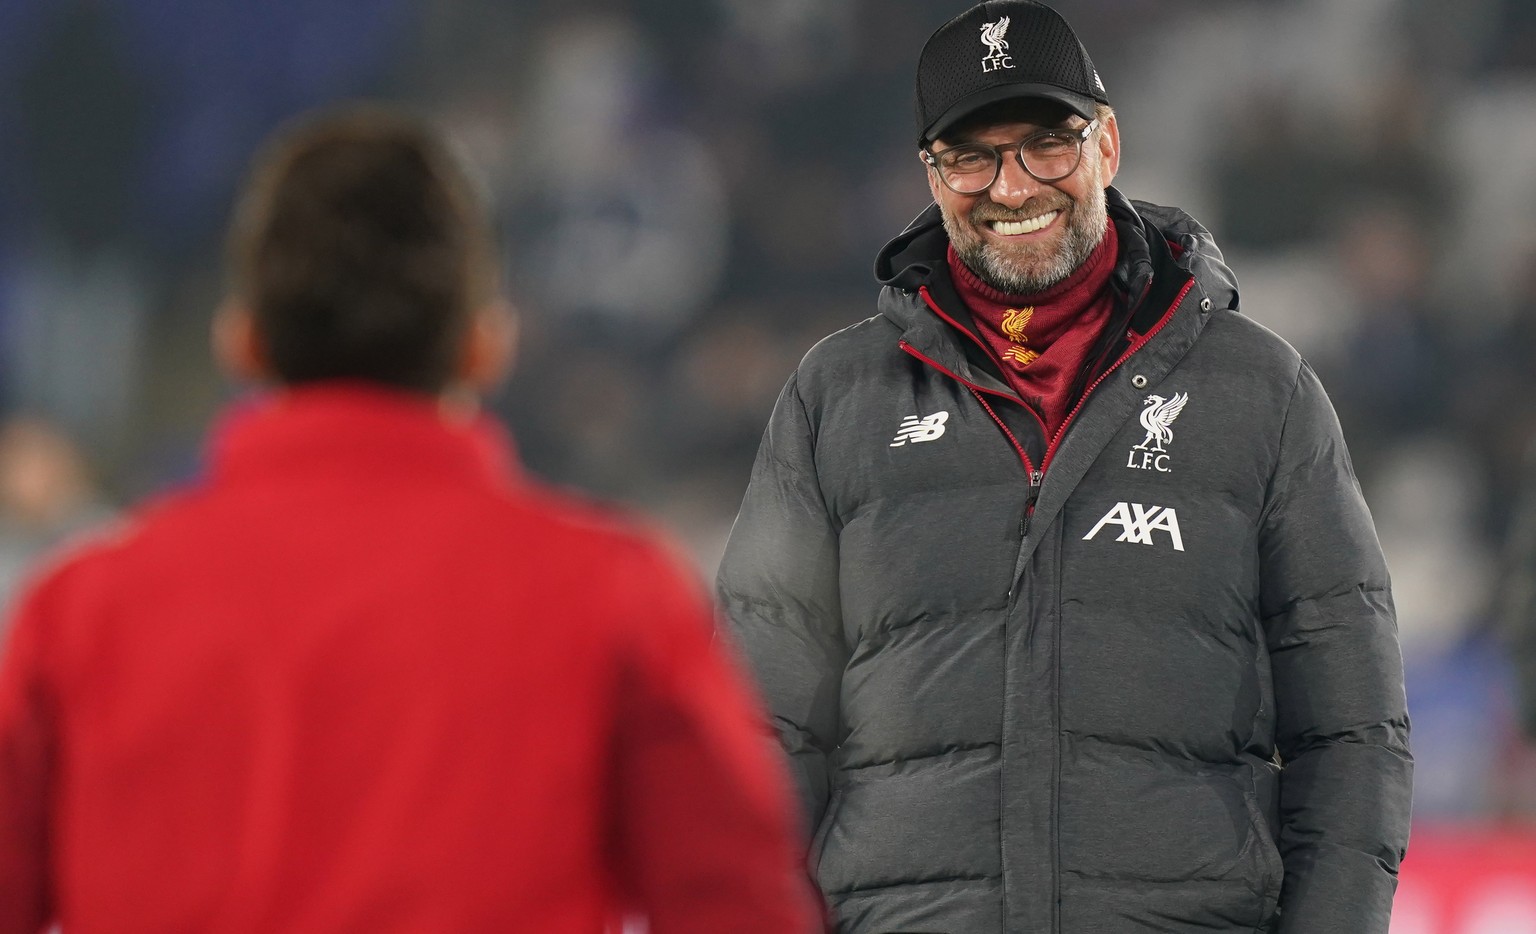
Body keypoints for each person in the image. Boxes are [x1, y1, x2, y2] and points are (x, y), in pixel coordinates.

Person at [0, 108, 819, 934]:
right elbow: (739, 908)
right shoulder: (616, 599)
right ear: (484, 347)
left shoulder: (77, 617)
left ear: (241, 343)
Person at [716, 2, 1412, 932]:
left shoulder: (1261, 390)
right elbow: (757, 744)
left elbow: (1353, 735)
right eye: (971, 155)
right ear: (931, 174)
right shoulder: (834, 398)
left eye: (1047, 142)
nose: (1011, 186)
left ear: (1109, 145)